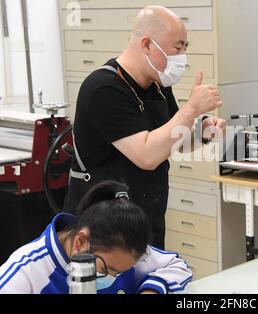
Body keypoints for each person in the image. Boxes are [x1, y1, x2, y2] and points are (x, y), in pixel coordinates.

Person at [63, 5, 226, 249]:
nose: (182, 58)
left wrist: (201, 133)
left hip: (146, 216)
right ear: (147, 44)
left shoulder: (157, 85)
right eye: (177, 48)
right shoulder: (104, 88)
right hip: (101, 224)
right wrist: (190, 109)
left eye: (185, 49)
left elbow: (171, 141)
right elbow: (147, 155)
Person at [0, 181, 192, 294]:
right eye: (106, 269)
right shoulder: (27, 272)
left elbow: (177, 266)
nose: (111, 278)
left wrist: (151, 290)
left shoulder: (123, 249)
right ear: (81, 242)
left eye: (120, 273)